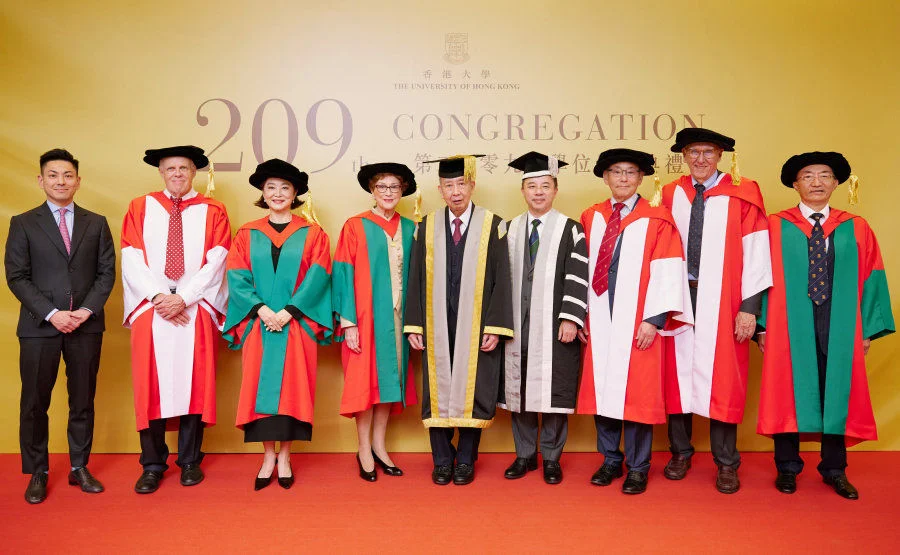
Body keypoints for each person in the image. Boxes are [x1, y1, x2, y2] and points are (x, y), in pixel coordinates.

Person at [757, 151, 894, 499]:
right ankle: (787, 468)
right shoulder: (775, 225)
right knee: (788, 389)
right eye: (807, 176)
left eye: (824, 175)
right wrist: (760, 324)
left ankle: (834, 469)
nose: (816, 182)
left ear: (836, 183)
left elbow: (872, 277)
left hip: (840, 321)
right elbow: (757, 276)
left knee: (838, 392)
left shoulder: (856, 227)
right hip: (788, 323)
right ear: (794, 183)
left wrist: (864, 329)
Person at [661, 128, 772, 493]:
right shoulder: (670, 193)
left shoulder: (744, 193)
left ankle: (726, 462)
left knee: (724, 376)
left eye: (709, 152)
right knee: (677, 374)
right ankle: (680, 452)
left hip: (725, 300)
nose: (701, 159)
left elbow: (758, 253)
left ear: (722, 155)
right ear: (684, 155)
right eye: (694, 152)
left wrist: (749, 308)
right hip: (680, 295)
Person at [5, 148, 116, 504]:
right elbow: (17, 277)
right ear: (41, 180)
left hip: (86, 326)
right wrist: (53, 313)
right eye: (53, 175)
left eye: (67, 175)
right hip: (40, 327)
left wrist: (85, 311)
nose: (61, 181)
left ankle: (79, 466)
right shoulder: (23, 222)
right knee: (35, 403)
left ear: (78, 181)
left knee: (82, 400)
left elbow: (106, 273)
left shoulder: (96, 222)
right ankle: (37, 471)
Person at [577, 149, 690, 494]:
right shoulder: (591, 216)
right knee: (603, 391)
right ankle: (610, 459)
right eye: (616, 172)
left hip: (638, 320)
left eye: (630, 172)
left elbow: (669, 271)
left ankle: (638, 467)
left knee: (637, 394)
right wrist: (580, 313)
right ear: (605, 177)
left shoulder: (658, 219)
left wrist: (654, 320)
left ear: (641, 178)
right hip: (599, 317)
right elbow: (579, 271)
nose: (623, 178)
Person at [121, 145, 231, 493]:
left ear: (194, 172)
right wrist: (159, 297)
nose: (178, 174)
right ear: (161, 172)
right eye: (171, 169)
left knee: (193, 383)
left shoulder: (214, 210)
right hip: (150, 309)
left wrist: (183, 297)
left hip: (194, 307)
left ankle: (189, 462)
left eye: (184, 168)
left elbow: (218, 260)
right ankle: (152, 464)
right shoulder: (141, 207)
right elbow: (131, 256)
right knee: (149, 384)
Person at [223, 158, 333, 490]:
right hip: (260, 325)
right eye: (271, 187)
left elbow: (319, 276)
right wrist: (260, 310)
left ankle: (285, 455)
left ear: (296, 192)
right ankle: (267, 455)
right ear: (262, 191)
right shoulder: (246, 233)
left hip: (296, 325)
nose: (278, 193)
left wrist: (290, 311)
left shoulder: (313, 234)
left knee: (294, 390)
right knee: (259, 387)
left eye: (285, 187)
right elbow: (237, 276)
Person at [405, 154, 514, 486]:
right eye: (449, 185)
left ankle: (465, 459)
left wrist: (495, 326)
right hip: (434, 320)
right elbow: (414, 280)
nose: (456, 192)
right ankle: (442, 460)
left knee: (472, 389)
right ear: (439, 188)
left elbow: (501, 280)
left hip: (476, 323)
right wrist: (415, 325)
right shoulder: (425, 227)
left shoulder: (493, 225)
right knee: (437, 390)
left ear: (472, 185)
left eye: (461, 184)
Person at [498, 152, 586, 485]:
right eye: (532, 186)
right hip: (517, 325)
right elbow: (497, 281)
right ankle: (523, 455)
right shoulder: (509, 229)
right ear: (523, 190)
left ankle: (551, 457)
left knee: (553, 390)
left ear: (555, 189)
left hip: (554, 324)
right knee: (518, 390)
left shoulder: (571, 229)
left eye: (545, 186)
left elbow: (578, 275)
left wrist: (571, 318)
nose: (538, 192)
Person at [333, 162, 418, 482]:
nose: (388, 192)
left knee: (389, 383)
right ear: (371, 190)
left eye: (395, 187)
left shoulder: (411, 228)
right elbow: (342, 273)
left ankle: (380, 446)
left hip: (398, 319)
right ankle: (363, 448)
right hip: (364, 319)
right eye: (382, 186)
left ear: (404, 191)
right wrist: (348, 322)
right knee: (364, 383)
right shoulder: (354, 226)